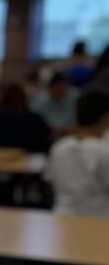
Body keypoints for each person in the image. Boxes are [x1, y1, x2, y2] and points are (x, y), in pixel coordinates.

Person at [46, 87, 109, 215]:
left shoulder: (59, 147)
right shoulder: (103, 151)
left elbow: (50, 185)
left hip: (63, 217)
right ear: (106, 117)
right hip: (99, 220)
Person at [0, 82, 51, 154]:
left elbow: (44, 145)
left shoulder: (36, 121)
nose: (16, 101)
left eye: (18, 98)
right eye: (13, 98)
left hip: (28, 161)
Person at [30, 71, 79, 141]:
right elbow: (33, 124)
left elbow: (84, 124)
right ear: (50, 88)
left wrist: (66, 129)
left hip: (73, 138)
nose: (61, 89)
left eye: (64, 86)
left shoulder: (76, 97)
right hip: (46, 139)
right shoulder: (40, 101)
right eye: (58, 87)